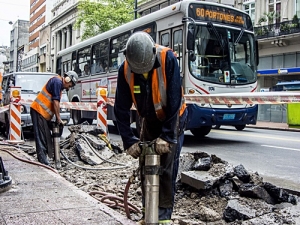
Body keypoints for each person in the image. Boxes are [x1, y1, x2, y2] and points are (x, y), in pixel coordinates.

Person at [114, 31, 188, 224]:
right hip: (148, 119)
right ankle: (148, 212)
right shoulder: (125, 70)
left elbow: (174, 101)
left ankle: (162, 218)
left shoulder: (167, 59)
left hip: (173, 118)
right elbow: (120, 110)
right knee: (145, 166)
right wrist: (129, 141)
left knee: (166, 167)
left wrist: (167, 136)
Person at [30, 71, 78, 165]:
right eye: (70, 85)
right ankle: (43, 161)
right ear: (67, 79)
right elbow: (55, 102)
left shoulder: (59, 85)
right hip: (38, 110)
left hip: (42, 114)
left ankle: (45, 159)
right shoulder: (57, 82)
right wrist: (58, 118)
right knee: (41, 137)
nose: (69, 88)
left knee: (45, 135)